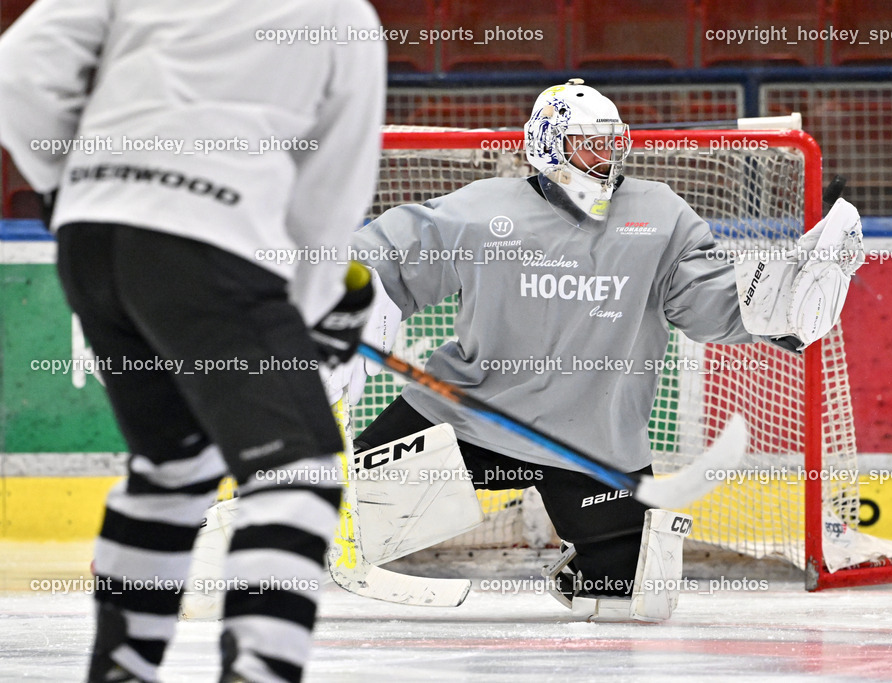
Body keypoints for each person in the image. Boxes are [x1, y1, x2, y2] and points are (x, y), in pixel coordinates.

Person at [336, 79, 865, 620]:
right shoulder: (481, 212)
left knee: (631, 601)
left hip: (597, 449)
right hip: (467, 420)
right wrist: (335, 300)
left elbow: (704, 302)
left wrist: (777, 309)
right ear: (546, 145)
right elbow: (384, 258)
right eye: (589, 142)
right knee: (330, 519)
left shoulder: (659, 216)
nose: (605, 156)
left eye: (613, 142)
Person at [0, 1, 384, 680]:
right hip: (211, 239)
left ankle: (120, 671)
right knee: (296, 471)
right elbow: (330, 195)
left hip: (93, 244)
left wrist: (73, 187)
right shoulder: (341, 14)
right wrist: (318, 306)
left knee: (173, 470)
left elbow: (16, 73)